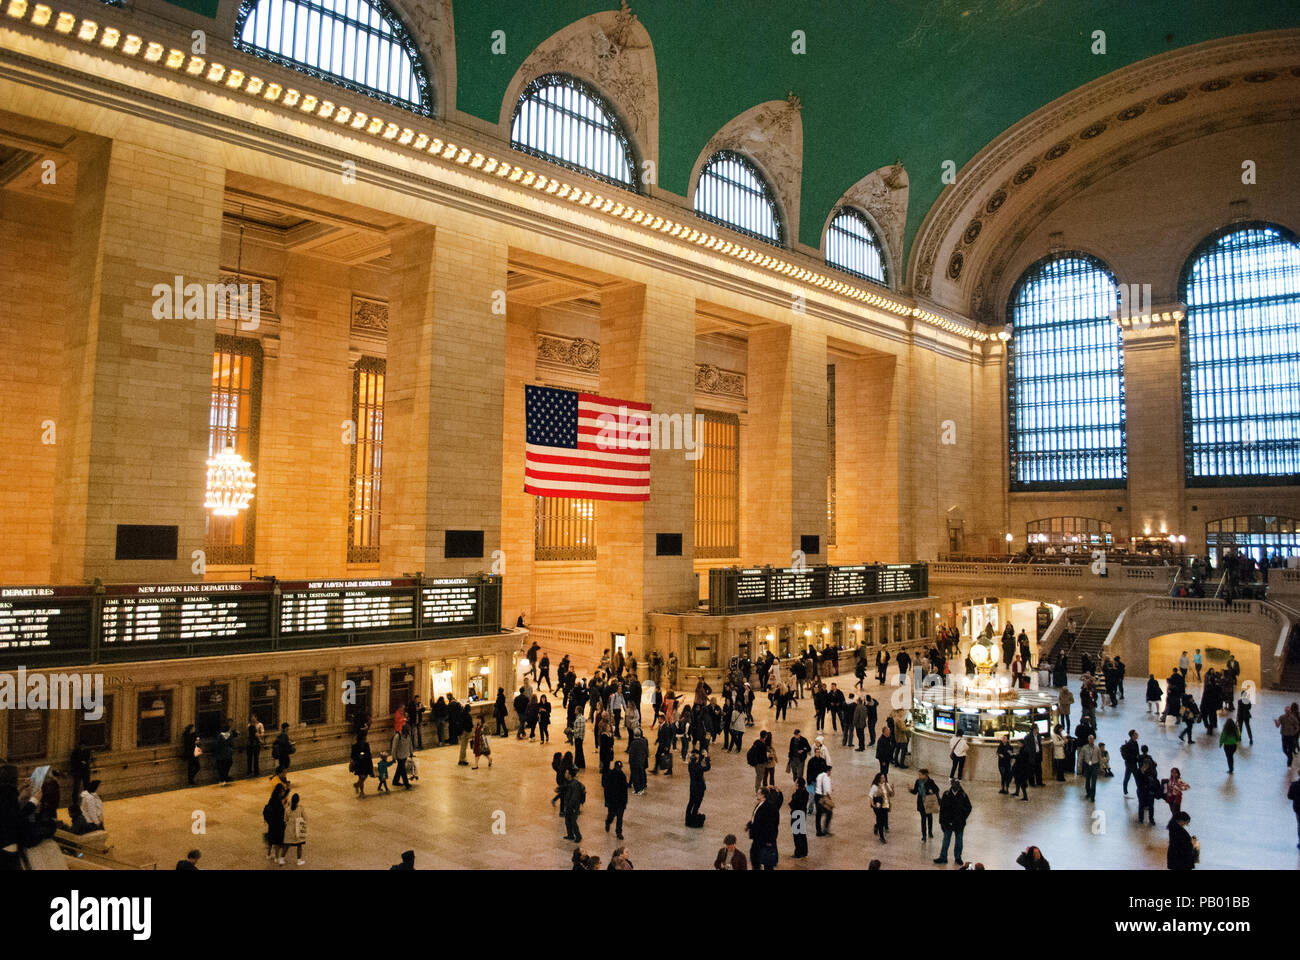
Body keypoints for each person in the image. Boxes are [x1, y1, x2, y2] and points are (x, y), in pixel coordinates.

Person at [934, 778, 971, 866]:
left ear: (959, 784)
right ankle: (943, 857)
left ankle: (958, 858)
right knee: (946, 840)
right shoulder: (946, 794)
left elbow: (969, 808)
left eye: (957, 783)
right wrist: (941, 822)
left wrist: (963, 817)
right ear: (951, 784)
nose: (954, 785)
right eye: (953, 783)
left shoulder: (963, 795)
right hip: (948, 823)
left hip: (959, 824)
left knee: (959, 841)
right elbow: (942, 809)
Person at [602, 760, 629, 840]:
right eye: (618, 767)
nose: (619, 769)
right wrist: (607, 801)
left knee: (620, 818)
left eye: (620, 768)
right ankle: (608, 822)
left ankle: (619, 832)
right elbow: (606, 789)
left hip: (620, 801)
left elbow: (625, 790)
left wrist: (625, 801)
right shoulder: (610, 775)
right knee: (611, 815)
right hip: (613, 801)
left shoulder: (623, 776)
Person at [911, 768, 940, 840]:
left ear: (925, 775)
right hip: (921, 802)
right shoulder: (918, 781)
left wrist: (931, 791)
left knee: (929, 818)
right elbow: (915, 792)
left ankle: (930, 832)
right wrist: (910, 790)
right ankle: (924, 835)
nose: (919, 776)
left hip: (928, 801)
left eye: (920, 775)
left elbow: (937, 789)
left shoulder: (931, 781)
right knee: (923, 819)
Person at [559, 767, 586, 842]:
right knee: (567, 821)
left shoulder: (575, 784)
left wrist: (570, 806)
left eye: (566, 773)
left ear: (570, 775)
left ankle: (578, 836)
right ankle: (570, 835)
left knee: (573, 822)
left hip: (573, 807)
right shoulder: (568, 781)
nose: (565, 774)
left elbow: (575, 797)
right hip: (568, 806)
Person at [264, 782, 288, 864]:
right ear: (280, 791)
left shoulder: (272, 799)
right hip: (278, 823)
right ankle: (277, 857)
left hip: (271, 823)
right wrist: (284, 806)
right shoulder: (278, 801)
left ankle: (268, 854)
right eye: (283, 791)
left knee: (271, 839)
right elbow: (280, 812)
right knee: (277, 841)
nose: (283, 792)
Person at [869, 771, 894, 843]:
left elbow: (892, 795)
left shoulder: (887, 785)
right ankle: (882, 837)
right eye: (882, 778)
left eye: (884, 777)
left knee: (883, 820)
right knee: (880, 820)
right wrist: (873, 805)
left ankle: (876, 826)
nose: (884, 779)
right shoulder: (875, 786)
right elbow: (870, 796)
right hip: (878, 806)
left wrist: (892, 789)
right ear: (878, 779)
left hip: (886, 805)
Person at [685, 749, 708, 827]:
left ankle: (688, 820)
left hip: (693, 787)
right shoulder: (698, 767)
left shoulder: (690, 765)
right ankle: (694, 820)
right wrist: (706, 757)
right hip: (699, 788)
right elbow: (707, 767)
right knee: (697, 804)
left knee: (691, 803)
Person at [789, 778, 810, 859]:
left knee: (796, 835)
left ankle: (798, 853)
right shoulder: (806, 793)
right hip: (802, 814)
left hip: (796, 814)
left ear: (797, 784)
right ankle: (804, 851)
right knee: (802, 834)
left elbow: (792, 804)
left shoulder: (797, 793)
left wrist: (793, 794)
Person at [285, 793, 307, 866]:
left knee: (287, 844)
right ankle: (299, 860)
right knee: (299, 846)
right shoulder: (300, 808)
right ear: (298, 801)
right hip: (298, 829)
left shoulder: (287, 809)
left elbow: (285, 819)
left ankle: (282, 858)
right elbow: (305, 818)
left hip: (290, 830)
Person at [350, 729, 373, 798]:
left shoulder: (366, 745)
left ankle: (357, 784)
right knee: (361, 777)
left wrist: (365, 755)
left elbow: (369, 754)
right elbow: (352, 756)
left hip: (366, 763)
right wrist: (358, 756)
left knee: (364, 777)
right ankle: (362, 792)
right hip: (359, 764)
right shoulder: (355, 746)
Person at [1078, 734, 1101, 801]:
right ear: (1088, 740)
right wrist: (1079, 765)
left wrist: (1101, 767)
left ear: (1094, 740)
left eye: (1092, 739)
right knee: (1087, 780)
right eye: (1090, 739)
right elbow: (1081, 757)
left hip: (1095, 765)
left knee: (1093, 782)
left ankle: (1092, 796)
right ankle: (1088, 793)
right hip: (1087, 765)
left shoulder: (1097, 748)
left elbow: (1100, 757)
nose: (1091, 740)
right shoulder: (1084, 748)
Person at [813, 764, 834, 837]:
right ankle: (825, 829)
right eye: (830, 771)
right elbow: (827, 791)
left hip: (816, 796)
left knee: (818, 814)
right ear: (828, 771)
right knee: (829, 812)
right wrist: (830, 799)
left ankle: (818, 831)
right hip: (823, 797)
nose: (830, 773)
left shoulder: (819, 776)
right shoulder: (827, 778)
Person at [1120, 730, 1141, 795]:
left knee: (1128, 777)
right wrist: (1135, 758)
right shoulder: (1129, 744)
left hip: (1133, 763)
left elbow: (1137, 753)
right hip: (1130, 763)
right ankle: (1127, 791)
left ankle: (1126, 791)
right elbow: (1130, 755)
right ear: (1132, 736)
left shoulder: (1135, 743)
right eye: (1135, 734)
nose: (1137, 734)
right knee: (1133, 777)